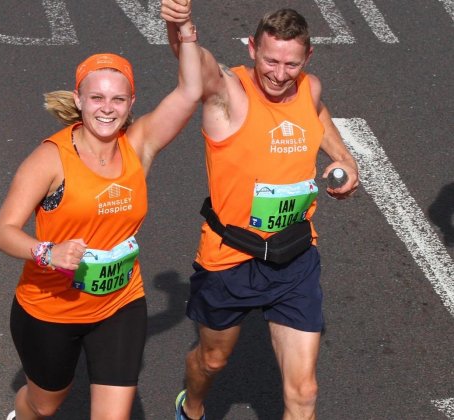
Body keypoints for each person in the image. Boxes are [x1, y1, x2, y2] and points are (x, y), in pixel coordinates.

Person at [0, 10, 201, 420]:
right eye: (97, 98)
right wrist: (48, 253)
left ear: (131, 103)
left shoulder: (138, 147)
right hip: (51, 308)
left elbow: (191, 91)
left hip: (119, 301)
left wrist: (186, 31)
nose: (107, 109)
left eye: (118, 99)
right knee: (44, 404)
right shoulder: (50, 159)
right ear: (79, 100)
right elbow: (2, 231)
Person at [161, 1, 360, 419]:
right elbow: (194, 62)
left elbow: (317, 113)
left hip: (295, 255)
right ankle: (191, 407)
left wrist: (344, 157)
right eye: (271, 60)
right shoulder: (228, 92)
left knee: (304, 391)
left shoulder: (310, 86)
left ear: (307, 58)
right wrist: (179, 25)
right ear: (252, 48)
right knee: (212, 361)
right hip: (231, 256)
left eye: (291, 64)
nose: (280, 74)